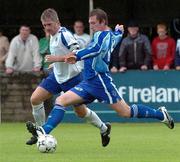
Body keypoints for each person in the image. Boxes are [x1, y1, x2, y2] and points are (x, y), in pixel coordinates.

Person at [27, 9, 174, 146]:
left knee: (125, 112)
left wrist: (76, 56)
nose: (90, 26)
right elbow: (116, 37)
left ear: (103, 22)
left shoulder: (102, 36)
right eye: (89, 23)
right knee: (61, 100)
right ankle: (43, 131)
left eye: (93, 23)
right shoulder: (108, 35)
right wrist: (118, 31)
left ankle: (160, 114)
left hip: (101, 82)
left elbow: (95, 50)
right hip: (88, 81)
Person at [26, 8, 110, 147]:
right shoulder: (52, 35)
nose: (47, 28)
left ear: (57, 22)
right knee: (35, 99)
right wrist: (56, 65)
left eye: (49, 24)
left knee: (80, 112)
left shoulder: (65, 35)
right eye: (44, 25)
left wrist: (56, 59)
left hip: (73, 78)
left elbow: (76, 54)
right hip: (57, 77)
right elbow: (64, 55)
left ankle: (104, 128)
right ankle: (39, 134)